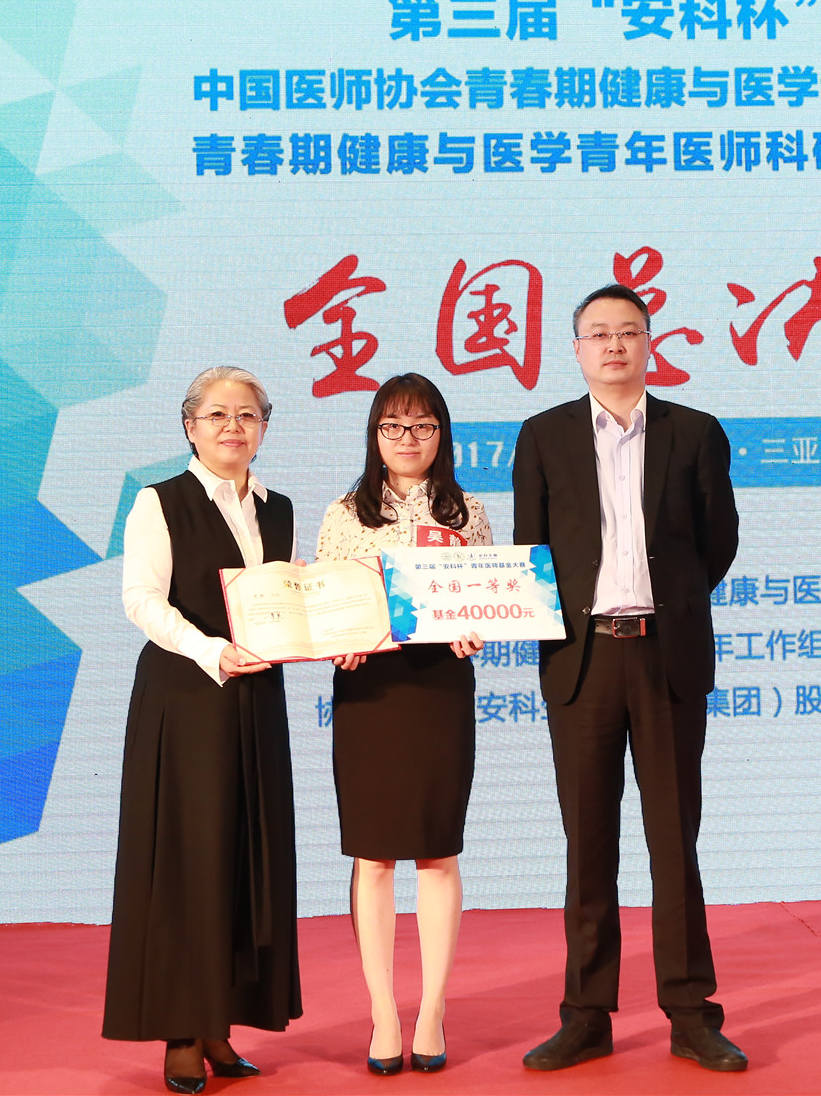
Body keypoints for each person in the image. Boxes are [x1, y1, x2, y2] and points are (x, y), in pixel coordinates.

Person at [512, 284, 745, 1074]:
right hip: (581, 661)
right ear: (576, 348)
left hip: (665, 654)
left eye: (628, 332)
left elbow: (717, 542)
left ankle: (691, 1013)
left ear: (649, 342)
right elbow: (532, 549)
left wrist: (668, 604)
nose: (614, 345)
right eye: (598, 333)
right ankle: (585, 1014)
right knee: (588, 843)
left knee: (674, 840)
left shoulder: (695, 432)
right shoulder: (542, 435)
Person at [104, 366, 300, 1093]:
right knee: (187, 861)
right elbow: (141, 599)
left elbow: (279, 601)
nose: (232, 427)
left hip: (258, 701)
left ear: (264, 427)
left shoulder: (278, 508)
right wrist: (211, 650)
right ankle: (182, 1031)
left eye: (247, 414)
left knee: (245, 855)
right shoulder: (159, 501)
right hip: (186, 700)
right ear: (189, 425)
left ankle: (221, 1020)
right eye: (217, 414)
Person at [316, 373, 488, 1075]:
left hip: (439, 688)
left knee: (438, 851)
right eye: (393, 426)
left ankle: (432, 1010)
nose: (408, 439)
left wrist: (474, 628)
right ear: (375, 435)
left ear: (442, 434)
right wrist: (337, 637)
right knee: (374, 855)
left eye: (422, 426)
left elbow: (485, 597)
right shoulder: (343, 513)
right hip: (370, 690)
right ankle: (384, 1013)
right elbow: (325, 603)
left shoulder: (467, 511)